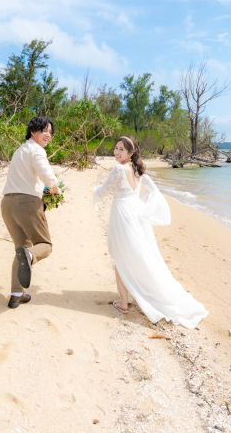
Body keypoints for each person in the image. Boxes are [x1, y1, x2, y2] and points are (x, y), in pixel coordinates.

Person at [93, 136, 208, 328]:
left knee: (121, 256)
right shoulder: (138, 170)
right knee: (136, 254)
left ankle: (123, 303)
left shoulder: (118, 169)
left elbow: (104, 190)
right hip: (135, 213)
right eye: (116, 148)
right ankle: (128, 295)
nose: (116, 152)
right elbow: (154, 191)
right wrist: (140, 203)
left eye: (121, 149)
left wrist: (93, 193)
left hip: (122, 214)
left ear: (131, 153)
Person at [1, 116, 61, 308]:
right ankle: (29, 257)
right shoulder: (36, 150)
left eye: (50, 132)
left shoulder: (20, 150)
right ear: (33, 131)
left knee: (22, 247)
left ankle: (17, 293)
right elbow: (43, 170)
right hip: (26, 203)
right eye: (44, 130)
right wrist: (54, 186)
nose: (48, 135)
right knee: (44, 245)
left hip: (7, 204)